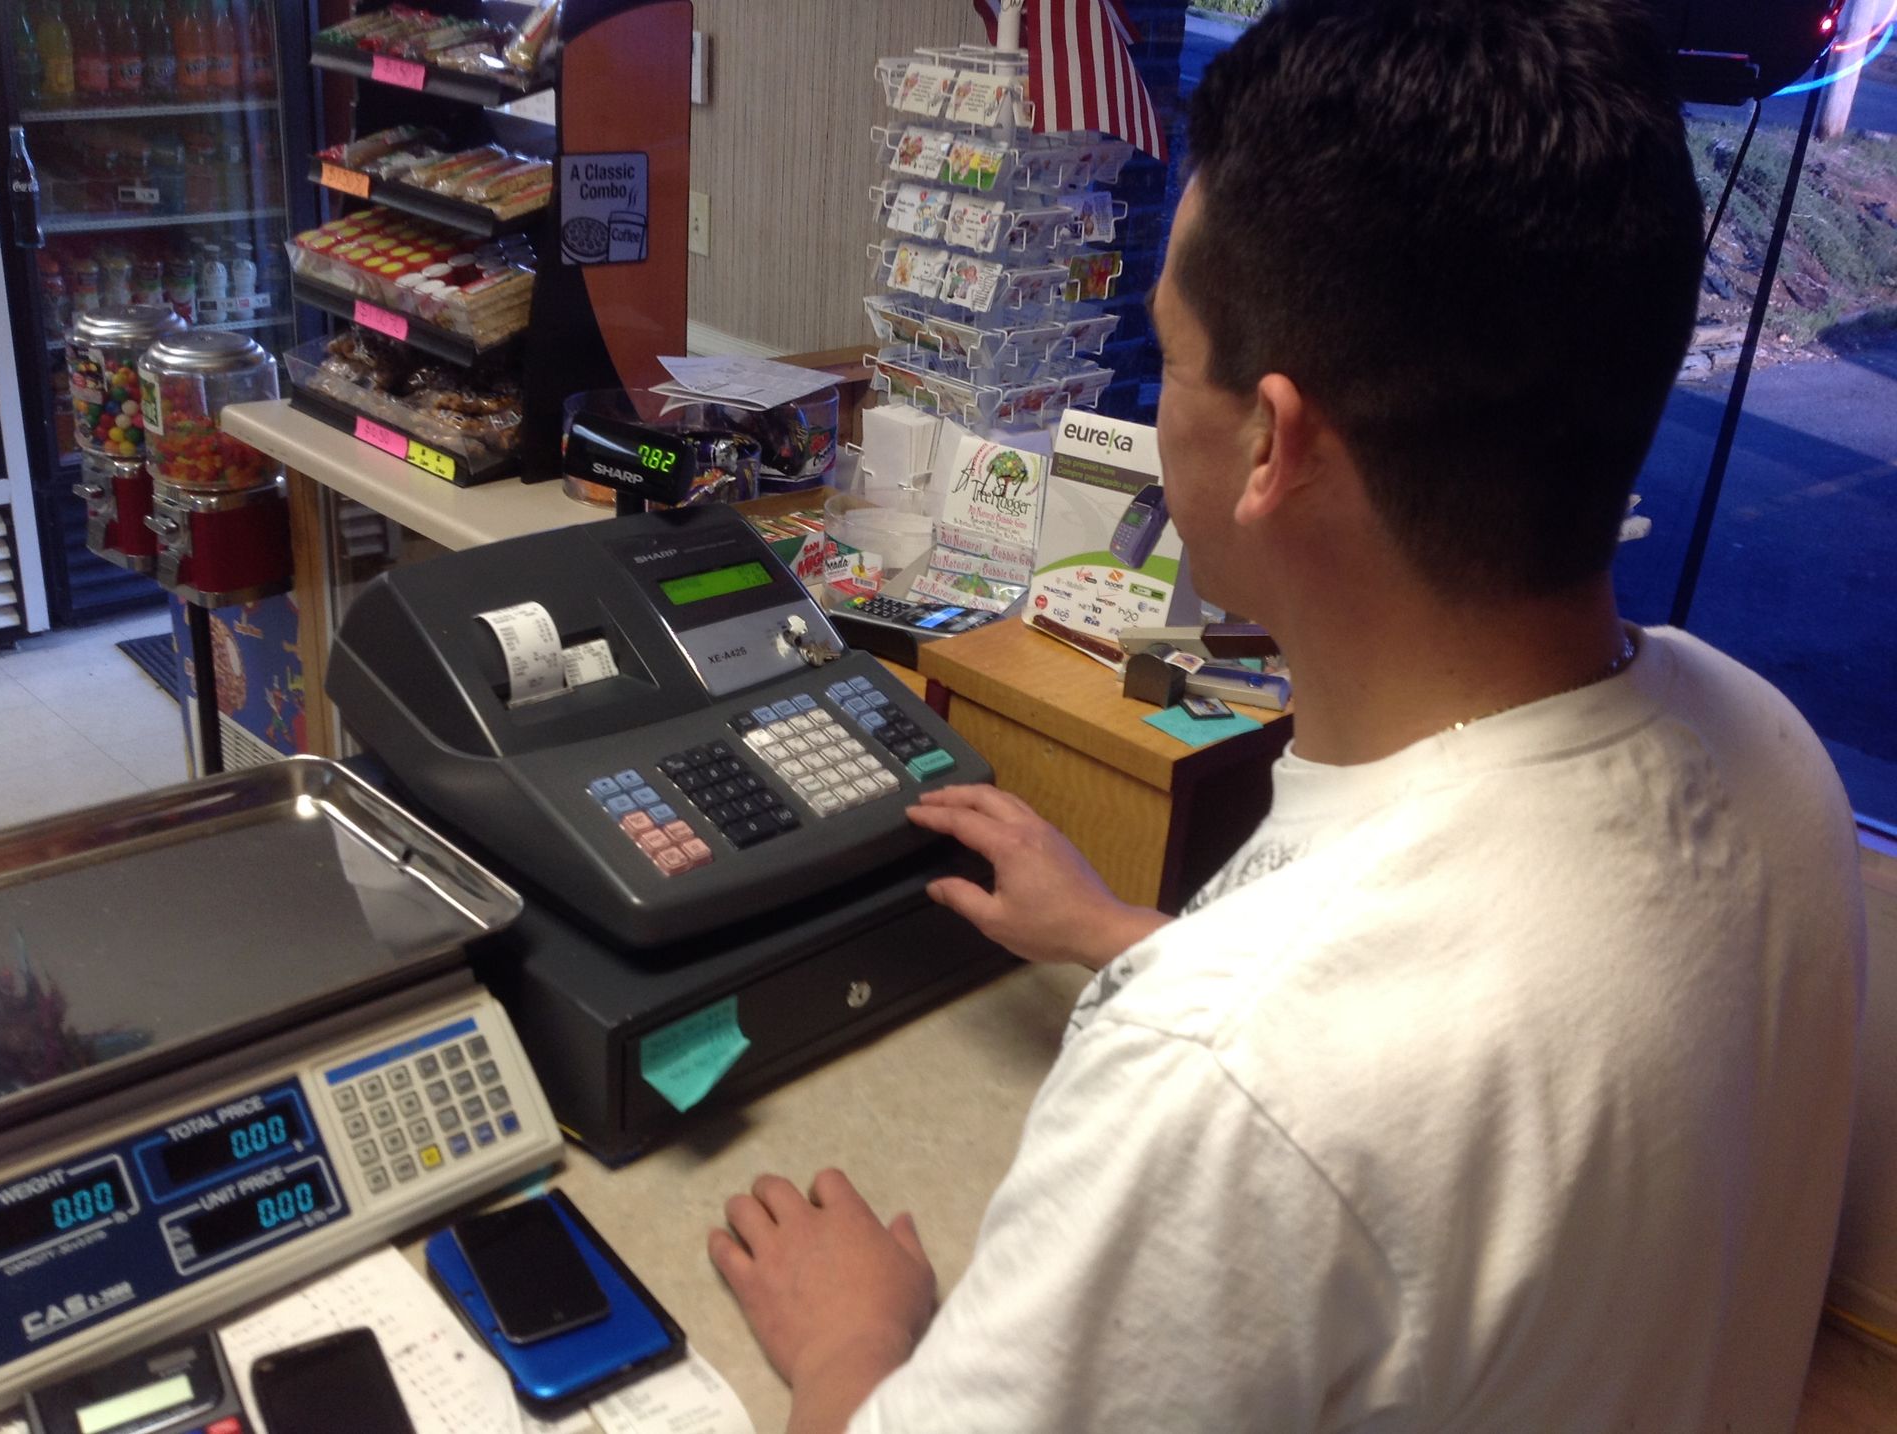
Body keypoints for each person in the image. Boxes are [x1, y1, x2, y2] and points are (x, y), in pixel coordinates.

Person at [707, 0, 1869, 1428]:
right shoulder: (1770, 754)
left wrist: (849, 1345)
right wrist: (1123, 939)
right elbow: (1488, 1071)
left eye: (1168, 355)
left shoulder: (1232, 1069)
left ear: (1272, 440)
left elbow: (1317, 1075)